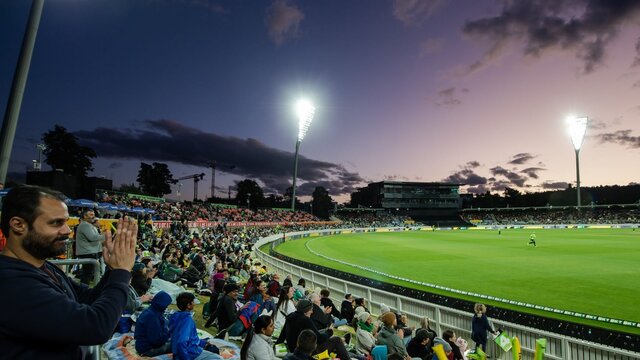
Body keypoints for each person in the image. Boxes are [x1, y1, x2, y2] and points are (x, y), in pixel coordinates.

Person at [0, 185, 137, 359]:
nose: (67, 230)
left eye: (65, 222)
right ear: (18, 225)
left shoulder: (43, 266)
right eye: (56, 223)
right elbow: (95, 327)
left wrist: (111, 270)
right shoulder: (10, 282)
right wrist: (121, 272)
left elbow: (87, 300)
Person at [277, 299, 351, 360]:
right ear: (306, 310)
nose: (312, 312)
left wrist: (275, 346)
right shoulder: (305, 320)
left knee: (325, 334)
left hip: (295, 350)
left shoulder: (290, 316)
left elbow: (282, 336)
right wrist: (330, 332)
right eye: (311, 310)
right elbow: (319, 339)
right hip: (305, 352)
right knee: (336, 340)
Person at [169, 292, 220, 360]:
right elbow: (181, 342)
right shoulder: (187, 320)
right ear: (188, 305)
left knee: (207, 341)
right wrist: (186, 358)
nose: (194, 304)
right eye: (193, 302)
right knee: (217, 356)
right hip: (190, 353)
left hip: (179, 348)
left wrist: (202, 342)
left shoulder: (175, 315)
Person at [134, 291, 172, 357]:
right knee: (176, 344)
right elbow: (156, 341)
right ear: (162, 304)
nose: (167, 307)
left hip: (145, 344)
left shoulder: (153, 310)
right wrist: (168, 333)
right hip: (147, 350)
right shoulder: (152, 317)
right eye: (166, 305)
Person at [75, 209, 106, 284]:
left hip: (89, 252)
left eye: (94, 215)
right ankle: (83, 291)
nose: (93, 217)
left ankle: (83, 290)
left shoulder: (88, 225)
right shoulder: (84, 225)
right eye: (91, 215)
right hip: (87, 253)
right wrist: (104, 236)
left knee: (88, 274)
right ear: (85, 216)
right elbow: (93, 237)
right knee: (87, 275)